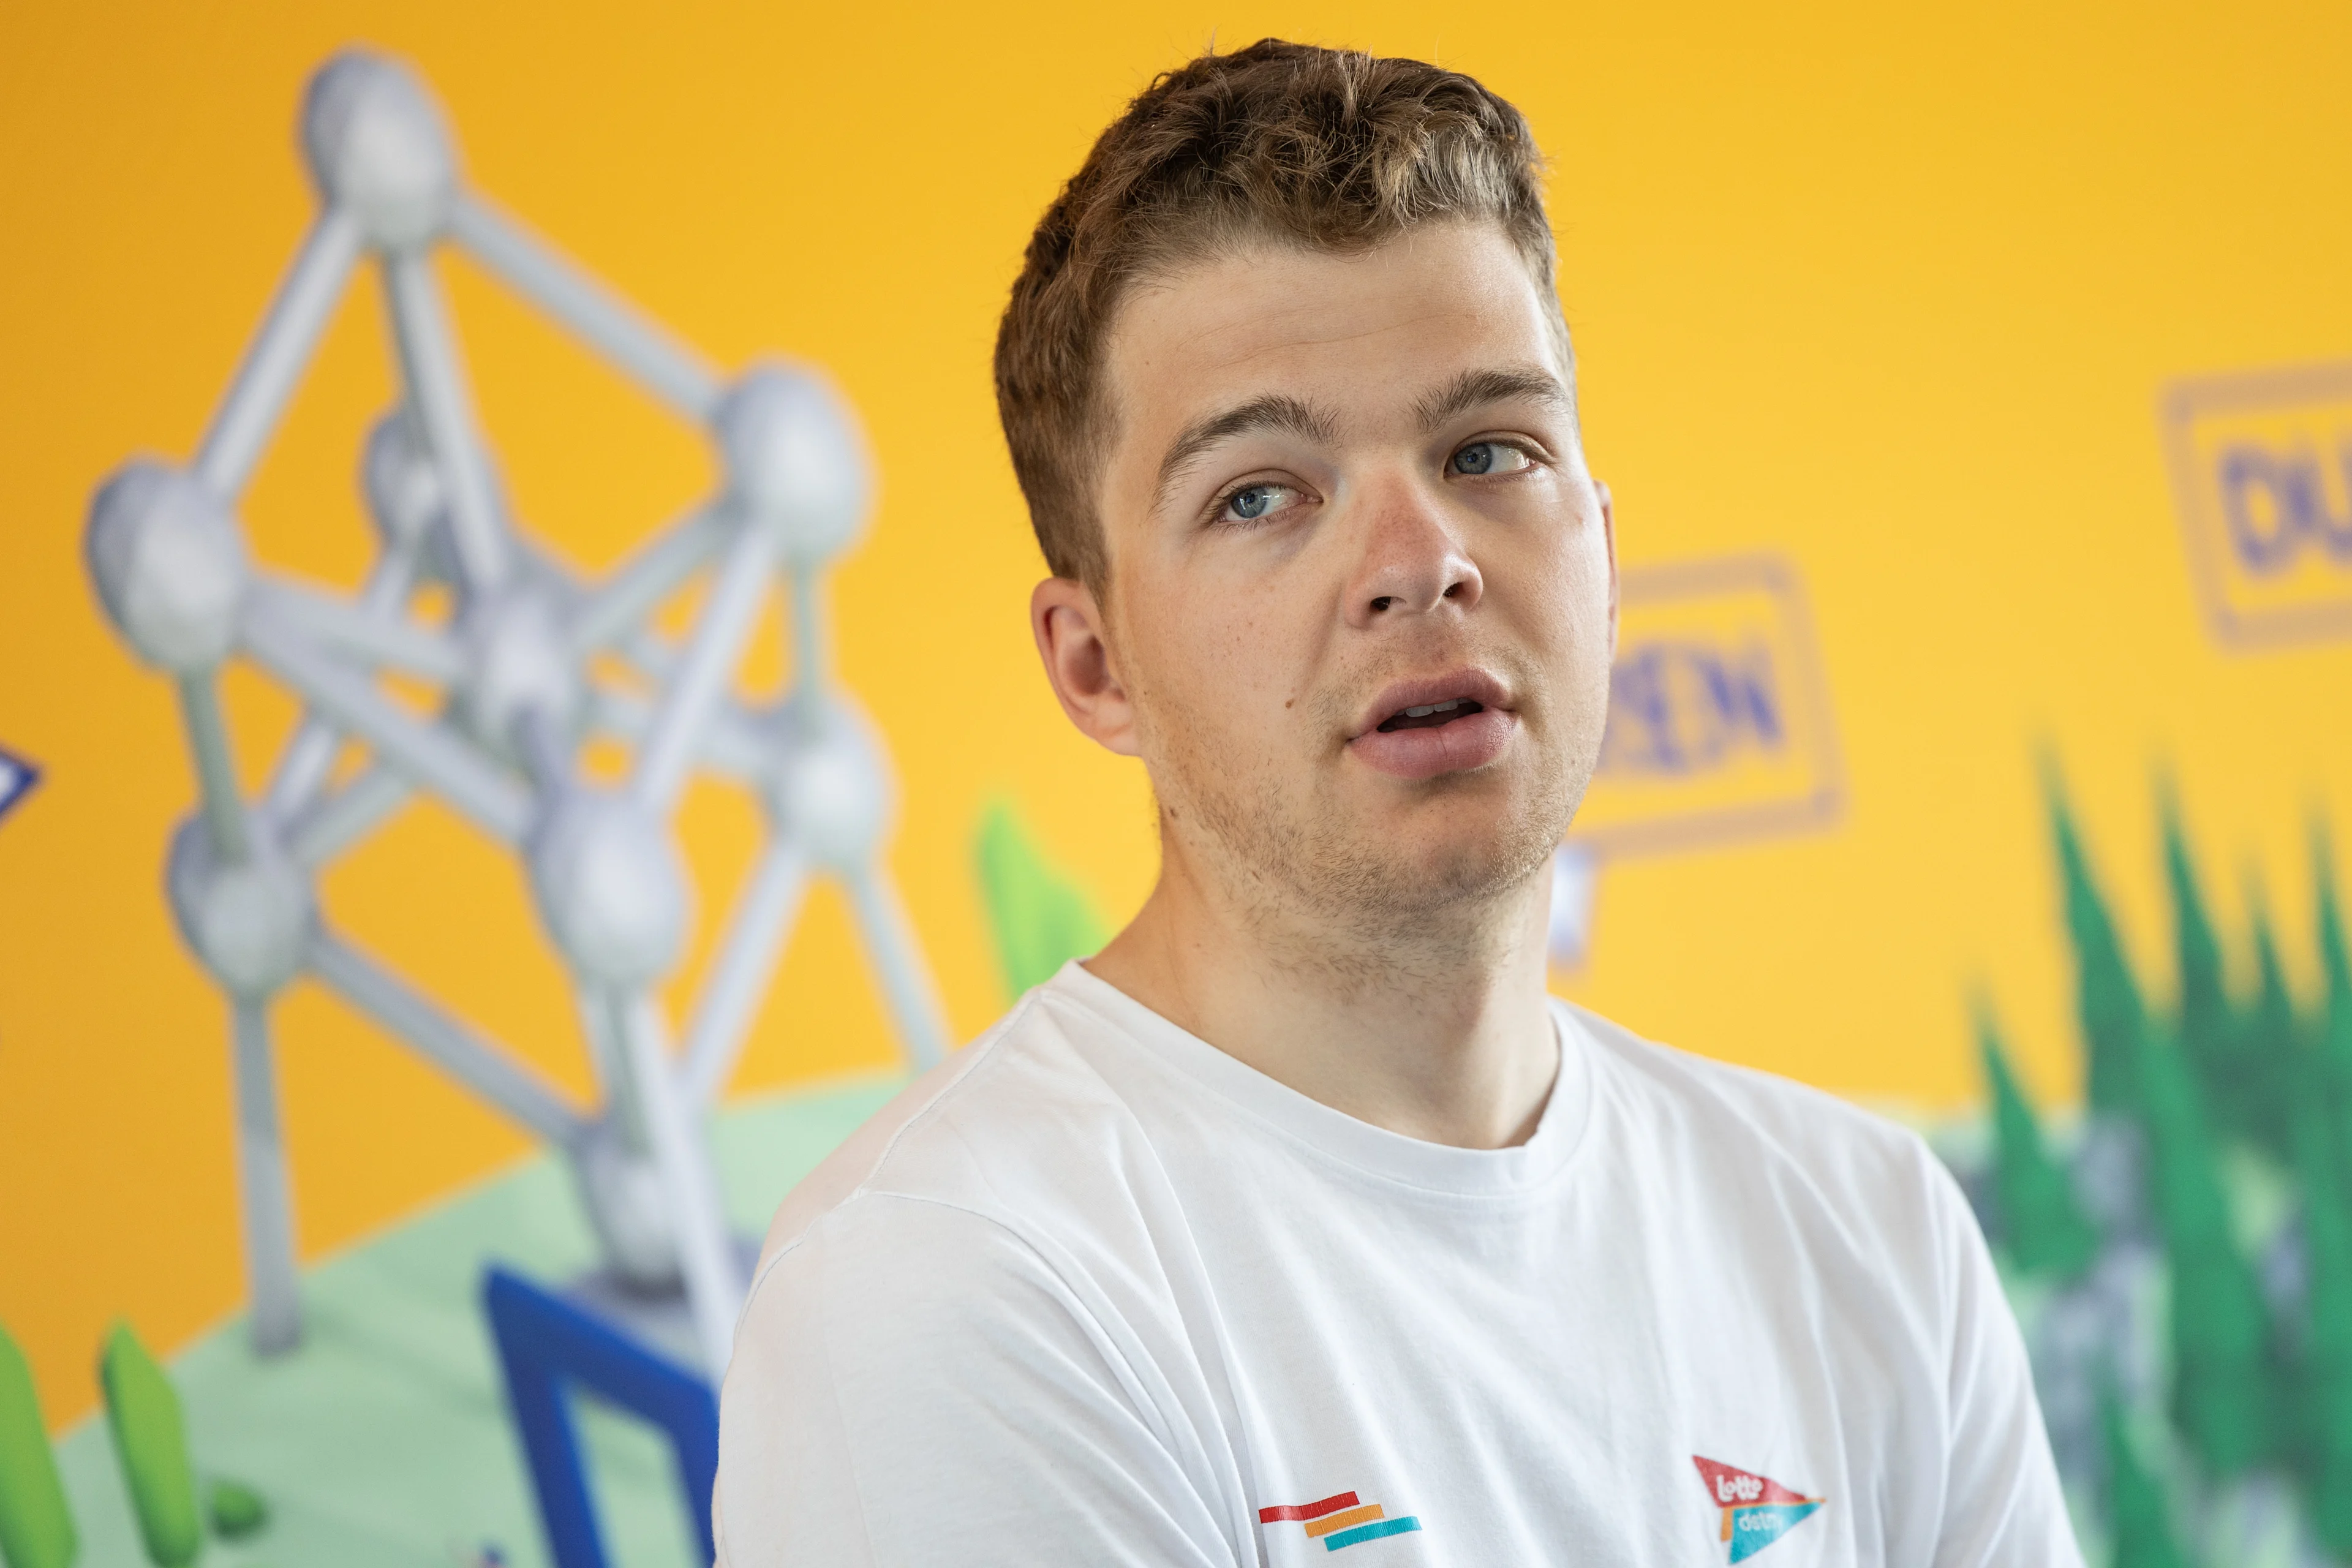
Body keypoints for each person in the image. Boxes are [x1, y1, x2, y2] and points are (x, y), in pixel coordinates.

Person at [715, 39, 2079, 1567]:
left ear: (1606, 560)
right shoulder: (956, 1281)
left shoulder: (1865, 1228)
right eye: (1259, 493)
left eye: (1488, 447)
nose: (1418, 555)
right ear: (1094, 662)